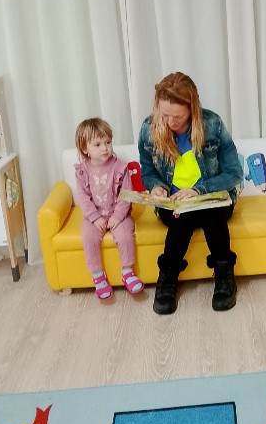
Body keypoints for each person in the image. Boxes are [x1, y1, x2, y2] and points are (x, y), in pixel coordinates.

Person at [138, 72, 243, 314]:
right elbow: (148, 171)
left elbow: (234, 172)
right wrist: (157, 187)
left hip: (211, 199)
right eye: (164, 114)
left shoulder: (212, 124)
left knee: (211, 215)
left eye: (178, 116)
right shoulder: (148, 129)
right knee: (181, 218)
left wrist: (198, 190)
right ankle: (168, 276)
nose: (170, 122)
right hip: (174, 205)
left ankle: (224, 274)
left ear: (192, 108)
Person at [74, 118, 144, 300]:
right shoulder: (82, 171)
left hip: (119, 215)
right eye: (97, 145)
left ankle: (127, 272)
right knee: (88, 237)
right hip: (94, 216)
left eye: (107, 142)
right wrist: (95, 218)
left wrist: (118, 216)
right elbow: (83, 197)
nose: (104, 148)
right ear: (85, 149)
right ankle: (98, 276)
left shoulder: (120, 167)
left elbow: (126, 194)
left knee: (125, 236)